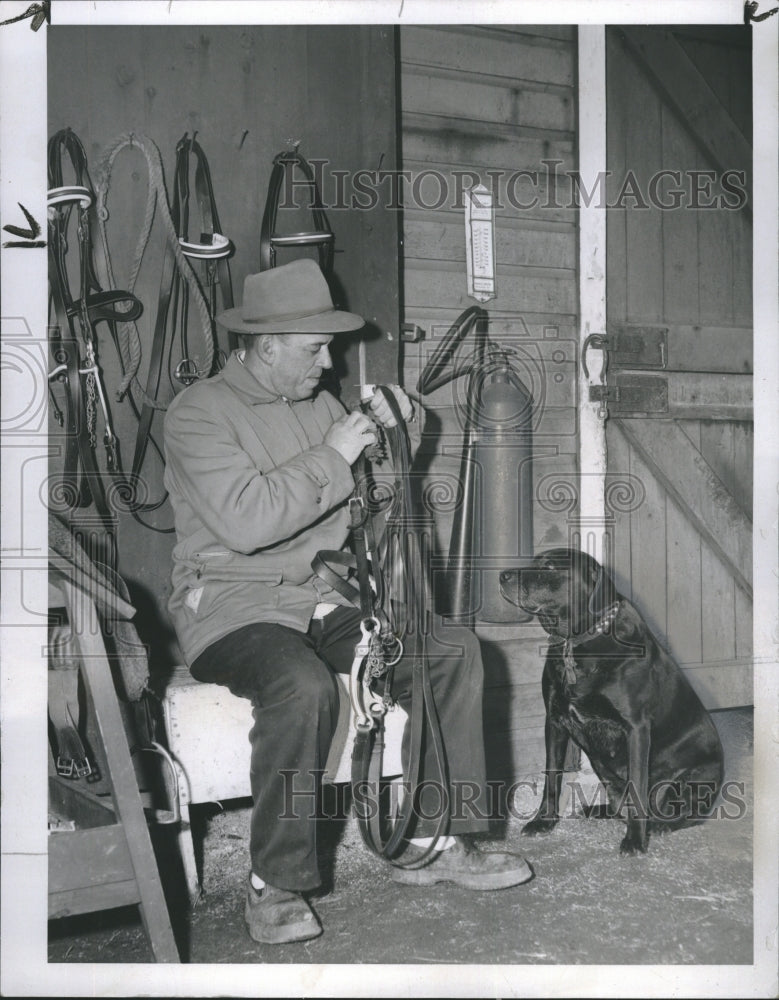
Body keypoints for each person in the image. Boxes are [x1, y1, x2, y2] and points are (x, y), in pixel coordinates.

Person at [163, 259, 531, 945]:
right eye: (314, 349)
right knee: (301, 687)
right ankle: (275, 882)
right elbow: (247, 522)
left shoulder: (324, 406)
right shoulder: (197, 413)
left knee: (451, 651)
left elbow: (375, 497)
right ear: (265, 346)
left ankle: (433, 838)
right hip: (233, 607)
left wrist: (404, 427)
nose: (328, 362)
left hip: (324, 595)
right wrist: (333, 456)